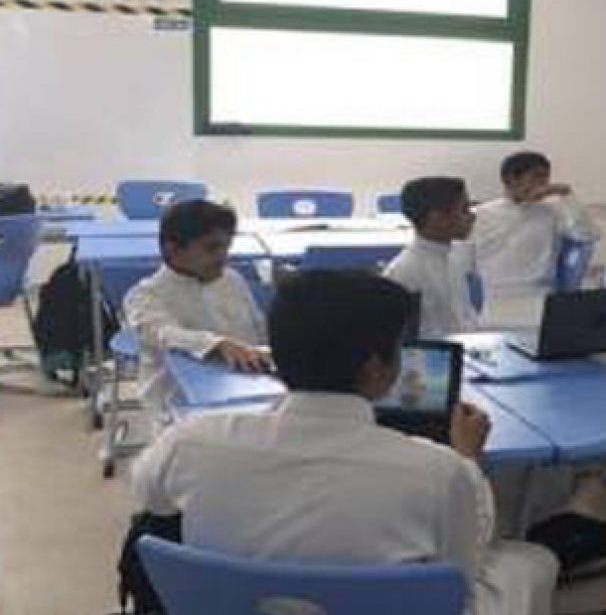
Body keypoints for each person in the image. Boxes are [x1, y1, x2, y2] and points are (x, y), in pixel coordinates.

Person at [130, 271, 559, 615]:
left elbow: (152, 498)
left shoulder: (191, 441)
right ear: (376, 369)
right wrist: (467, 461)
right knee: (532, 563)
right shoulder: (439, 472)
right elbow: (459, 575)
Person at [124, 200, 269, 425]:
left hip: (248, 391)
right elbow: (165, 335)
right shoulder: (145, 296)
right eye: (211, 248)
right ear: (172, 250)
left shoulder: (232, 280)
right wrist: (219, 344)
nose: (223, 257)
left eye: (226, 248)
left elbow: (259, 331)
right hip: (178, 406)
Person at [472, 151, 599, 297]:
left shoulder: (552, 212)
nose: (543, 184)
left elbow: (588, 235)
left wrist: (565, 194)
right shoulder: (477, 215)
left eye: (546, 177)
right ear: (510, 179)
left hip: (537, 292)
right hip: (489, 293)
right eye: (537, 176)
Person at [384, 177, 480, 339]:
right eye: (464, 209)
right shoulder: (403, 272)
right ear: (437, 218)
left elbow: (465, 319)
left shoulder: (455, 257)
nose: (473, 216)